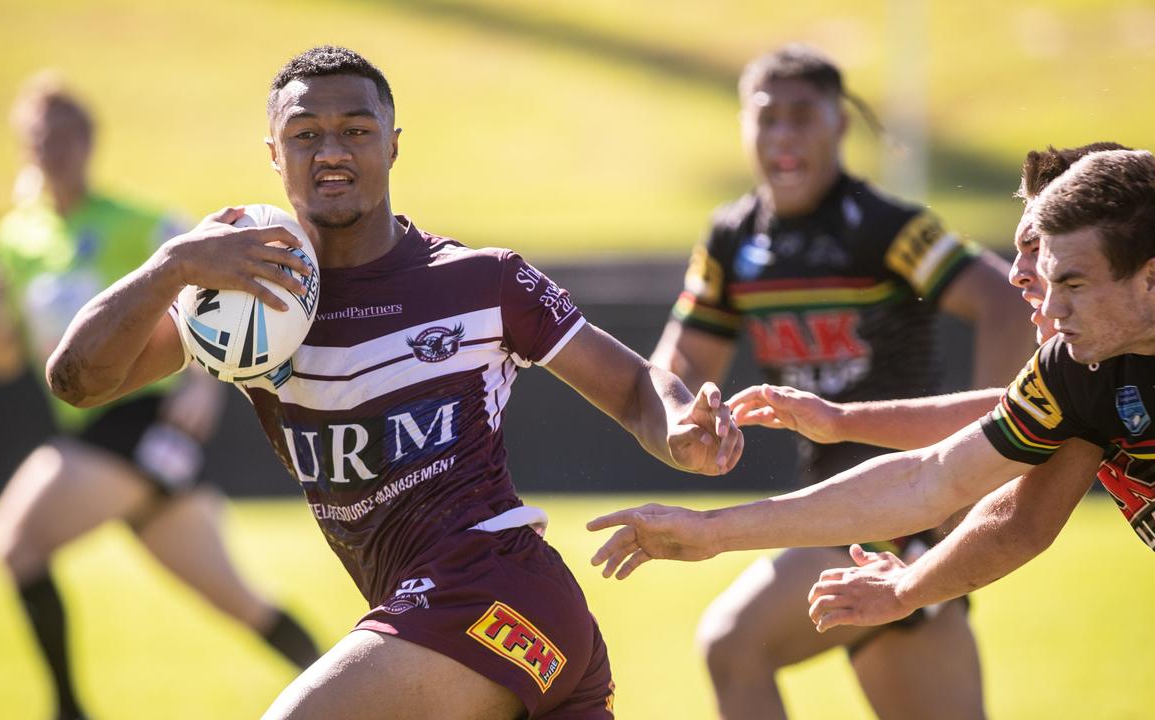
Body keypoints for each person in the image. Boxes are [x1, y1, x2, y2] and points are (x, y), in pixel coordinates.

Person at [43, 46, 743, 719]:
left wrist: (679, 425)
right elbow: (77, 381)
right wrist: (171, 268)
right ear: (272, 154)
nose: (332, 152)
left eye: (355, 130)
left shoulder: (484, 280)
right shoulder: (251, 298)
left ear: (394, 144)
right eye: (305, 133)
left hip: (495, 598)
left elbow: (630, 386)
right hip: (456, 631)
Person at [590, 147, 1155, 719]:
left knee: (735, 641)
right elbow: (939, 477)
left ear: (1151, 275)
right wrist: (712, 531)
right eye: (1034, 259)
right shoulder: (1084, 372)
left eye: (1063, 272)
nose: (1034, 287)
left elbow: (1002, 504)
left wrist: (908, 579)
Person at [649, 43, 1032, 719]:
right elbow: (678, 366)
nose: (784, 135)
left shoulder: (884, 226)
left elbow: (1005, 304)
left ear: (840, 126)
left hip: (906, 504)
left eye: (803, 115)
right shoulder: (732, 239)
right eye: (766, 118)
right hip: (839, 508)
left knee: (732, 645)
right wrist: (684, 413)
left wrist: (984, 459)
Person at [0, 74, 321, 720]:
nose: (53, 150)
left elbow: (206, 309)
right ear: (25, 147)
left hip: (142, 423)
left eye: (66, 135)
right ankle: (359, 690)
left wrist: (202, 391)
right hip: (91, 431)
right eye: (40, 138)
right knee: (241, 603)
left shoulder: (139, 221)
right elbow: (1, 362)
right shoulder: (15, 241)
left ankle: (69, 710)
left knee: (14, 544)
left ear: (89, 141)